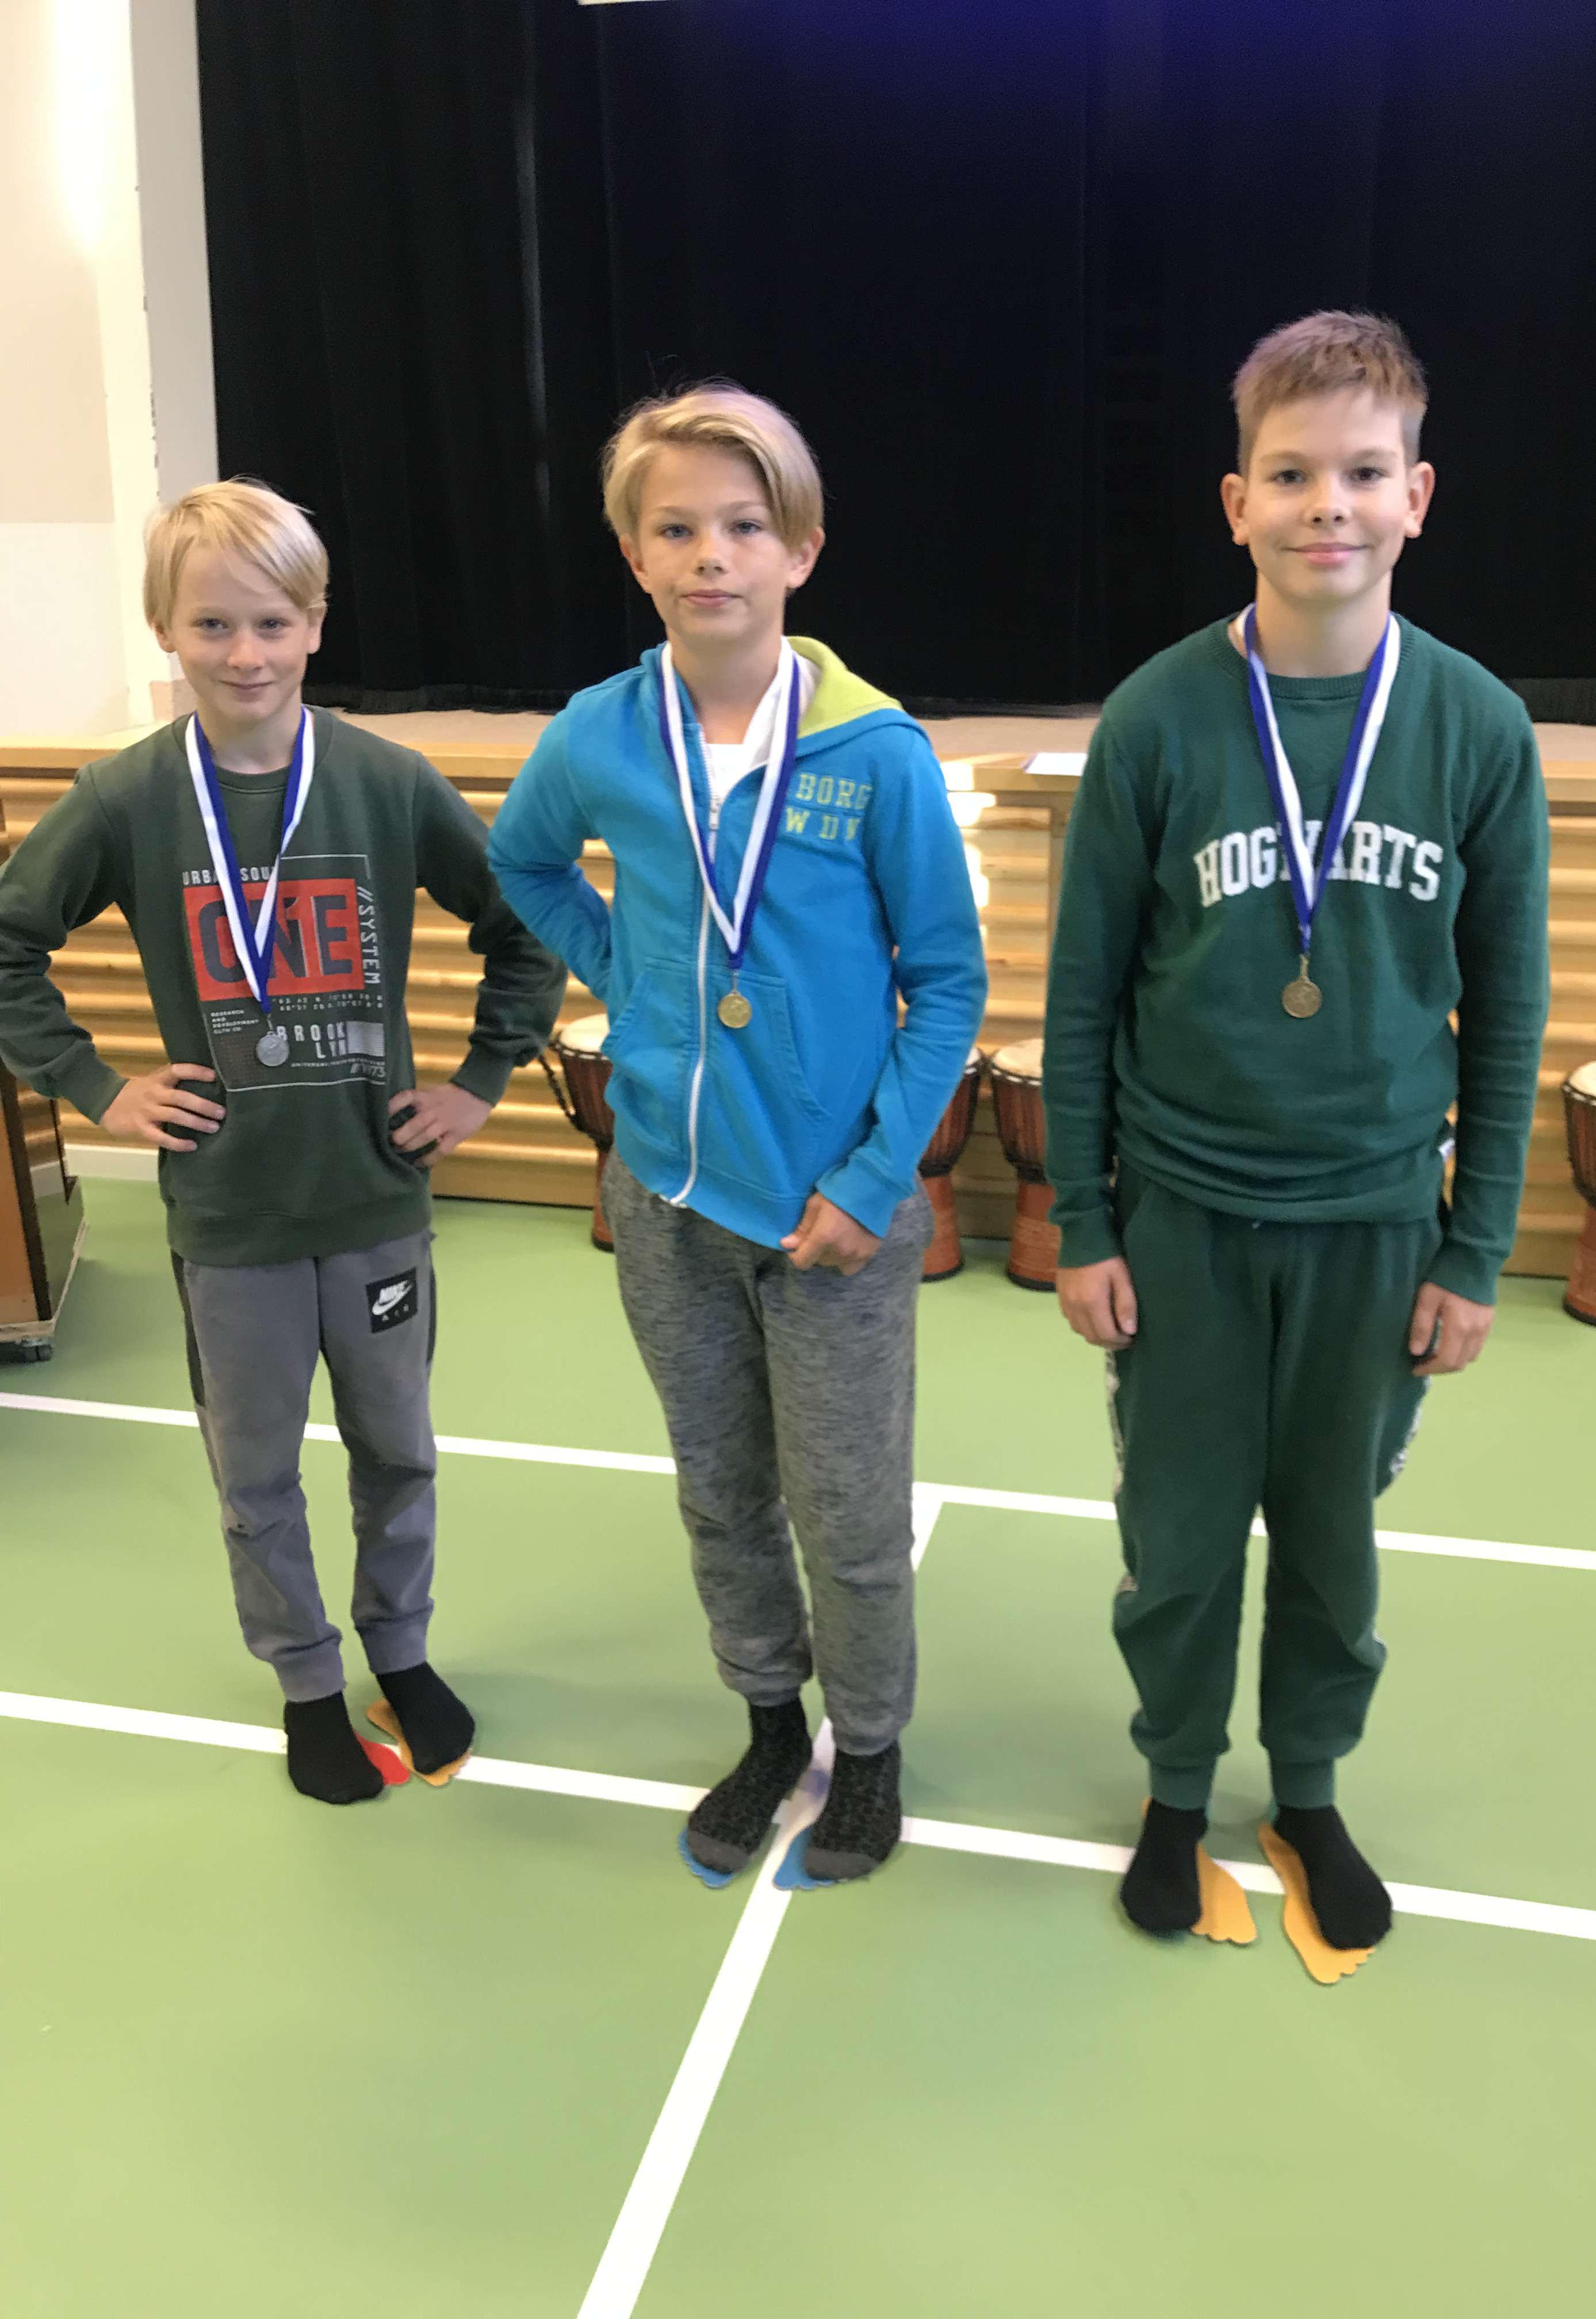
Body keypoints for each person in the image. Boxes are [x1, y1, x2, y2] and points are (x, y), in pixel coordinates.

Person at [1043, 312, 1549, 1954]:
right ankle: (1175, 1785)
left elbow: (1511, 1009)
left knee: (1334, 1542)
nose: (1328, 503)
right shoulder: (1156, 720)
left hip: (1378, 1226)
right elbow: (1080, 996)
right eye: (1290, 474)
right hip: (1183, 1215)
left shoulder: (1477, 727)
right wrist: (1086, 1221)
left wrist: (1476, 1247)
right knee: (1181, 1539)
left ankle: (1309, 1787)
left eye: (1363, 471)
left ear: (1419, 496)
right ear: (1235, 501)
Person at [0, 480, 567, 1804]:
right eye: (212, 624)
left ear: (316, 623)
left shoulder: (385, 782)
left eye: (271, 622)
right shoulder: (127, 799)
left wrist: (482, 1082)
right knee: (255, 1472)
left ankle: (401, 1651)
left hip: (375, 1201)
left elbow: (524, 925)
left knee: (399, 1452)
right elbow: (9, 943)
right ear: (164, 627)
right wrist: (93, 1085)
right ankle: (310, 1682)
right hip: (233, 1217)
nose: (244, 653)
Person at [488, 386, 985, 1883]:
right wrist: (634, 983)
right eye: (678, 528)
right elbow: (524, 861)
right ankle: (771, 1725)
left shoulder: (875, 752)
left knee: (848, 1512)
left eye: (745, 526)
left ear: (802, 551)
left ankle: (870, 1750)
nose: (712, 555)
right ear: (635, 556)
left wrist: (875, 1180)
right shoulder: (600, 734)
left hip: (833, 1220)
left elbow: (949, 982)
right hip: (668, 1198)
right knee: (720, 1493)